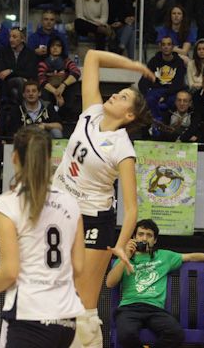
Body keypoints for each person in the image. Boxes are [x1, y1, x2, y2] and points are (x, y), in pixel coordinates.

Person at [50, 50, 153, 348]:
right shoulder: (91, 111)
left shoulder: (122, 148)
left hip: (93, 220)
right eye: (119, 92)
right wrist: (133, 65)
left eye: (123, 97)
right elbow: (93, 56)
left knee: (84, 307)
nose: (115, 95)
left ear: (129, 115)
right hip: (59, 211)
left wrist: (120, 245)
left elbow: (131, 209)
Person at [0, 126, 85, 347]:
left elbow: (10, 271)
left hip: (30, 315)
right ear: (48, 159)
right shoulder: (71, 203)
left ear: (14, 157)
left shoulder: (7, 203)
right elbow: (78, 267)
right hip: (66, 319)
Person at [106, 219, 204, 348]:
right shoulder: (124, 257)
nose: (144, 238)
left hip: (155, 309)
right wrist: (125, 257)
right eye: (140, 234)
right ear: (134, 237)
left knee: (175, 333)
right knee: (126, 334)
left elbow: (192, 257)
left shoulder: (163, 256)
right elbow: (110, 283)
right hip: (129, 308)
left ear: (155, 240)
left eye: (149, 235)